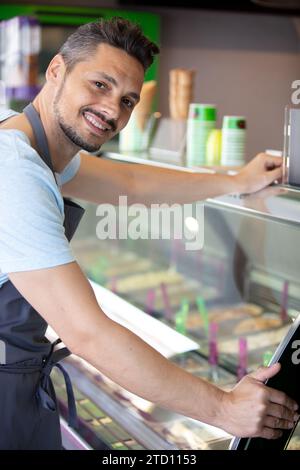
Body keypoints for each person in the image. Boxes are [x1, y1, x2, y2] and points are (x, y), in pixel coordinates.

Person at [0, 17, 297, 450]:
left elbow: (131, 185)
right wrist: (223, 408)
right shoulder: (16, 171)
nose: (112, 110)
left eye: (127, 100)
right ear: (56, 71)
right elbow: (86, 332)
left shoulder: (29, 140)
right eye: (99, 85)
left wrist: (236, 180)